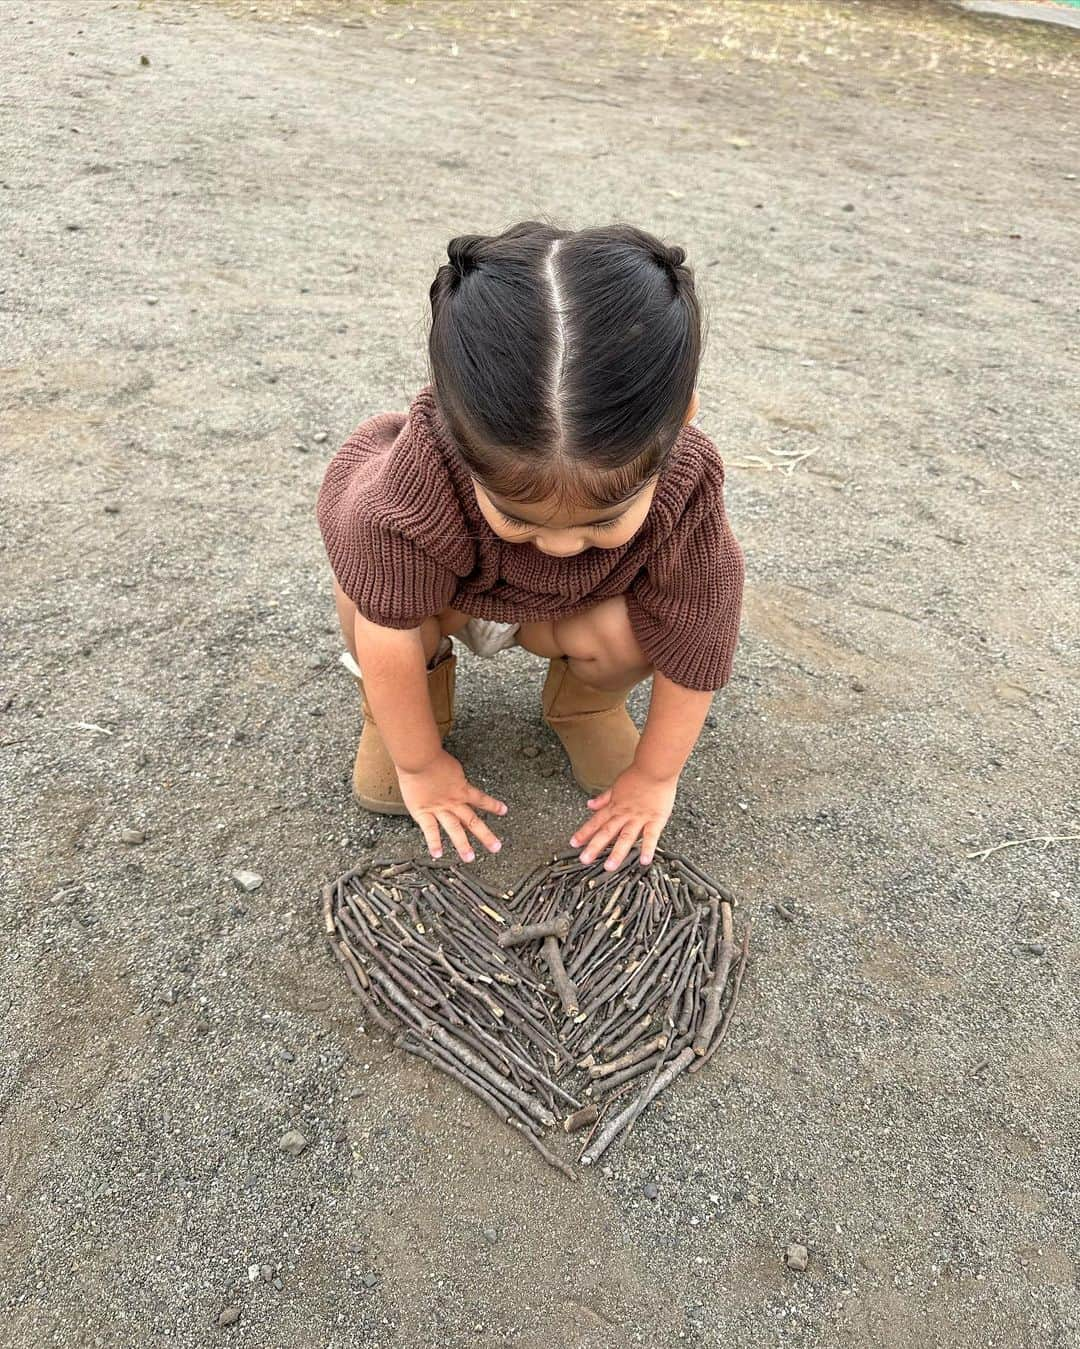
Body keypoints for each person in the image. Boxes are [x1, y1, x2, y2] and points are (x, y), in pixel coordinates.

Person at [317, 221, 743, 871]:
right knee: (370, 591)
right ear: (458, 434)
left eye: (603, 521)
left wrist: (656, 776)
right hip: (443, 599)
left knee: (650, 623)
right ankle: (401, 711)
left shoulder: (687, 482)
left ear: (680, 422)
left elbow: (700, 629)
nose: (562, 544)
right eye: (519, 517)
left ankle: (586, 700)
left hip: (570, 613)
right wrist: (420, 763)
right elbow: (388, 624)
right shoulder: (416, 478)